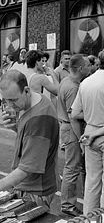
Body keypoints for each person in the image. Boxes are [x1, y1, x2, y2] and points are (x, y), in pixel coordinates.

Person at [0, 70, 59, 211]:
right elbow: (31, 141)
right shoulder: (35, 100)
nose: (10, 105)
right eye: (6, 100)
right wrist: (17, 128)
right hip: (31, 187)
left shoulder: (39, 119)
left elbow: (27, 168)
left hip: (35, 190)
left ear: (26, 90)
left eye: (13, 100)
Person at [71, 50, 104, 214]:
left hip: (90, 133)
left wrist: (92, 116)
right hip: (100, 133)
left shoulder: (86, 83)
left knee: (92, 181)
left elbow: (75, 113)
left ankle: (88, 217)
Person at [57, 54, 91, 216]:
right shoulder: (73, 88)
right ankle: (68, 205)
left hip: (66, 128)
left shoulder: (66, 81)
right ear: (80, 68)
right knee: (72, 168)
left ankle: (82, 200)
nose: (89, 67)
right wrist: (81, 140)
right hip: (71, 129)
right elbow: (74, 117)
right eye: (87, 65)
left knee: (75, 167)